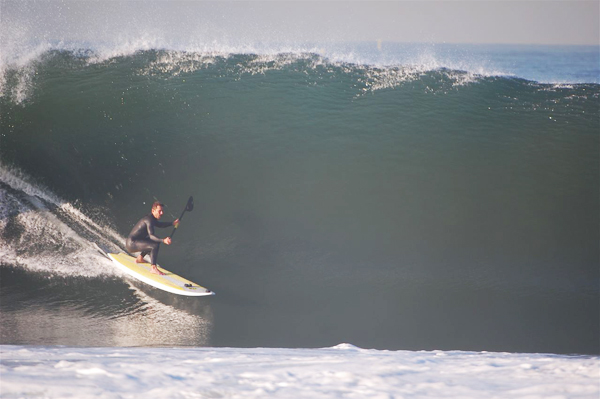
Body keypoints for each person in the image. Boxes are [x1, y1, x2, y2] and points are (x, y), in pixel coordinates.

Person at [126, 201, 180, 275]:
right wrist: (163, 240)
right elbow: (151, 235)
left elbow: (159, 225)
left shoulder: (152, 218)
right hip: (131, 244)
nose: (162, 213)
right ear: (153, 210)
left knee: (155, 240)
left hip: (136, 241)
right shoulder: (148, 220)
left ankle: (140, 258)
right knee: (154, 245)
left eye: (162, 211)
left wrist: (172, 223)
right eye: (159, 211)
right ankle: (153, 268)